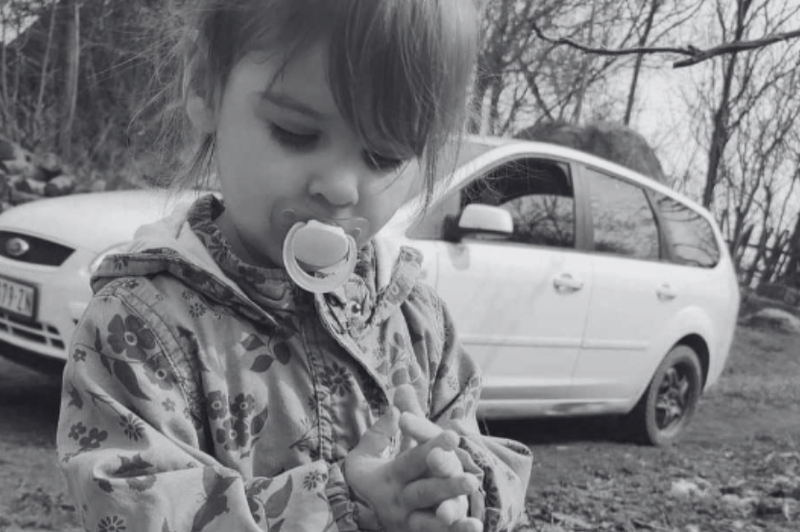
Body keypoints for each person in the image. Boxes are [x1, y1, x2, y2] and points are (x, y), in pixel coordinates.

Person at [56, 1, 533, 531]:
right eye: (296, 132)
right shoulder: (138, 325)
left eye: (384, 157)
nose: (340, 187)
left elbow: (485, 449)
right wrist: (339, 505)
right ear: (205, 84)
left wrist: (455, 489)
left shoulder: (416, 319)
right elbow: (129, 505)